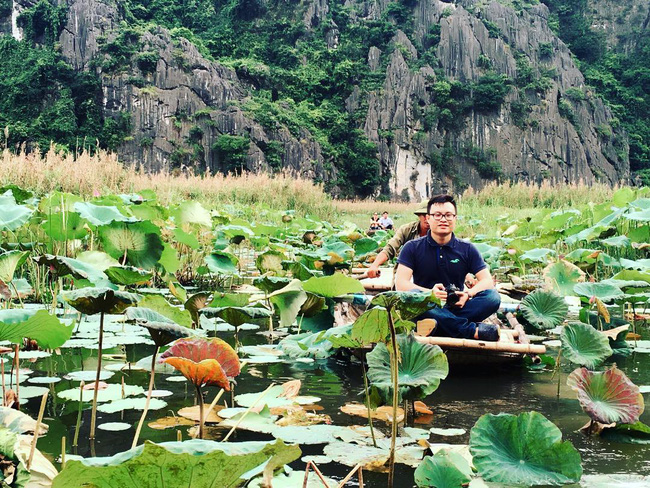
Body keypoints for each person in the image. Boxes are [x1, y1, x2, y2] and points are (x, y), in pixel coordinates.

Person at [395, 194, 500, 341]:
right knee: (410, 297)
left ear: (455, 218)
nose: (443, 219)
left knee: (492, 297)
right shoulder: (412, 247)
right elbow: (400, 284)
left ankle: (439, 325)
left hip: (457, 305)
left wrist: (468, 294)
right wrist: (430, 294)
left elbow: (487, 281)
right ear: (428, 218)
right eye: (437, 215)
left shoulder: (467, 249)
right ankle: (470, 330)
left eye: (448, 215)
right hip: (427, 305)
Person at [367, 203, 430, 278]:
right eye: (424, 215)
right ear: (419, 216)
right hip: (407, 273)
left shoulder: (442, 233)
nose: (427, 219)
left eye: (430, 215)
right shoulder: (406, 230)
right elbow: (390, 248)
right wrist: (374, 265)